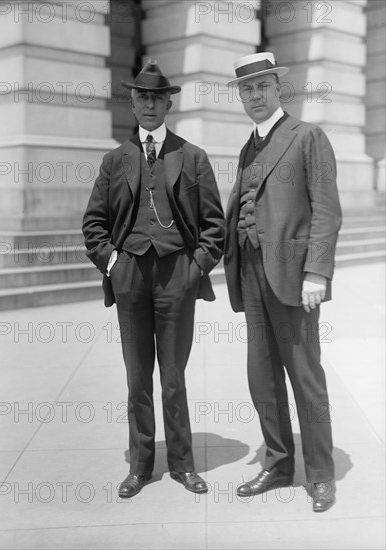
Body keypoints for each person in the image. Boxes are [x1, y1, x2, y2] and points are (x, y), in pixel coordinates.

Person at [82, 60, 225, 498]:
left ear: (168, 104)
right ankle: (141, 465)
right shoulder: (114, 160)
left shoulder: (192, 156)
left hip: (175, 277)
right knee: (137, 377)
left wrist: (194, 267)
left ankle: (182, 464)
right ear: (132, 102)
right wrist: (113, 263)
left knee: (173, 377)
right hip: (130, 277)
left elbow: (214, 226)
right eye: (141, 97)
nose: (149, 104)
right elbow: (94, 225)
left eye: (157, 98)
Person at [224, 52, 342, 512]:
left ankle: (320, 473)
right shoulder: (247, 147)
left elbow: (327, 210)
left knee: (305, 376)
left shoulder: (308, 136)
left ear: (278, 88)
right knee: (262, 378)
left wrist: (317, 269)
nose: (254, 96)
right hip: (252, 274)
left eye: (262, 87)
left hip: (293, 276)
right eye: (246, 89)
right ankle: (277, 462)